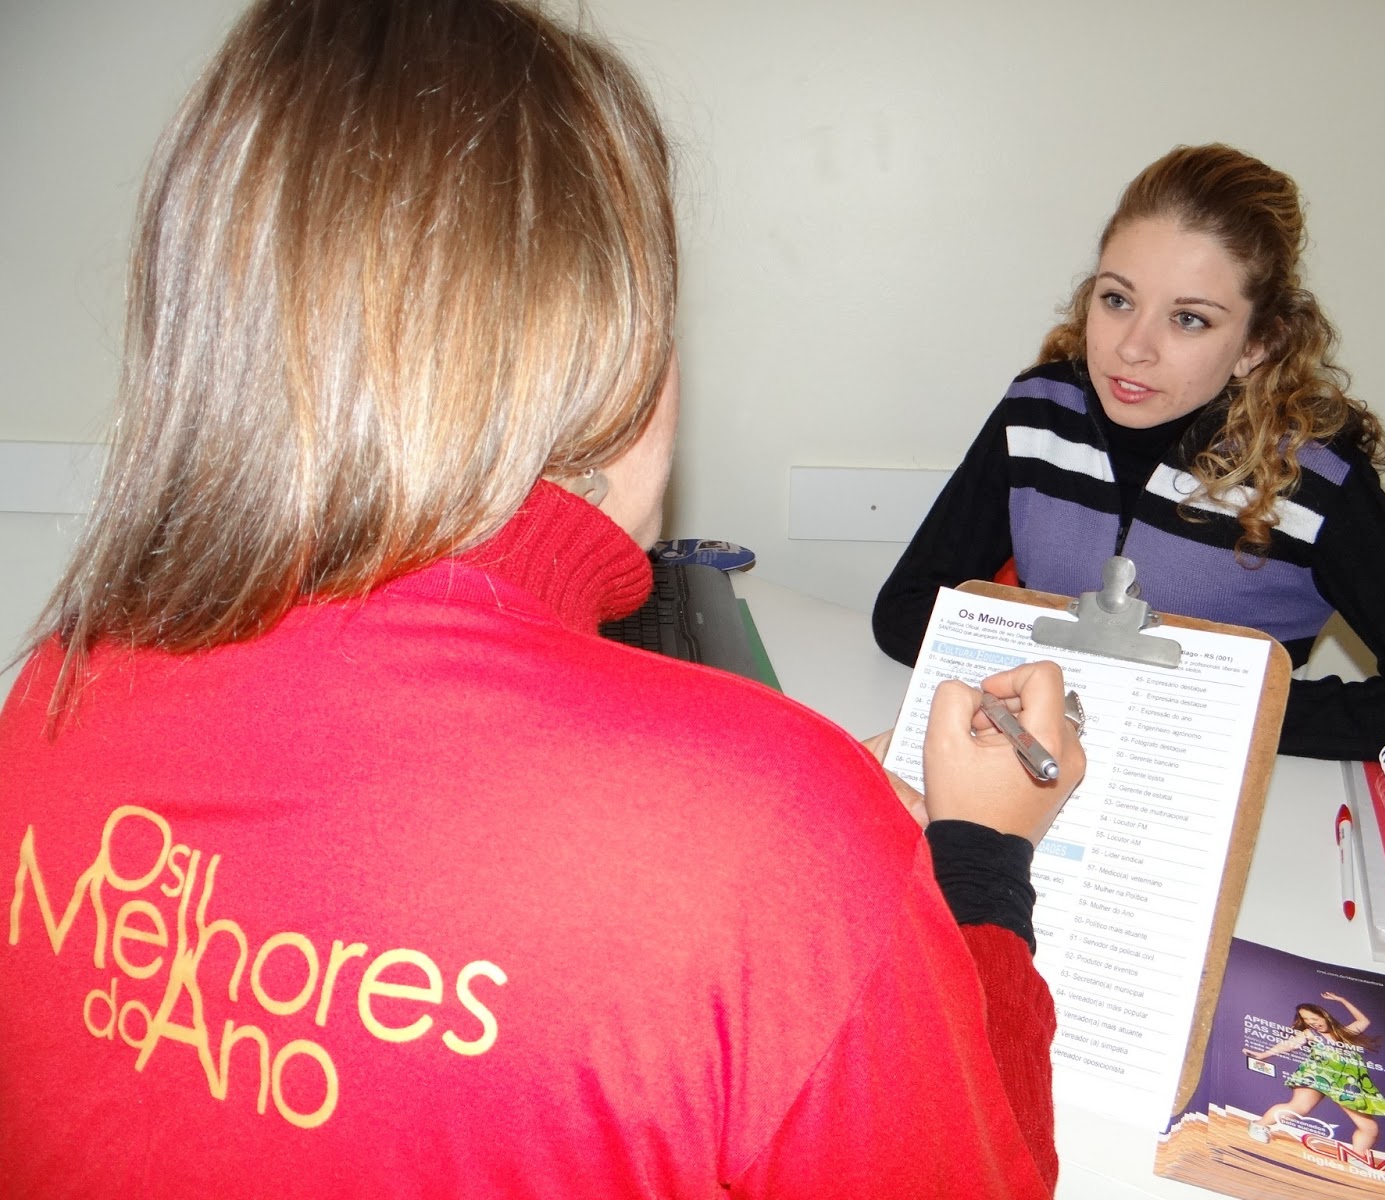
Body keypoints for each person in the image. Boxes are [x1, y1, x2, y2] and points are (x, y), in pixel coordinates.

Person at [0, 2, 1085, 1195]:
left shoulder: (56, 694)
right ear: (613, 353)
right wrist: (978, 859)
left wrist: (820, 858)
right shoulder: (769, 838)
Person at [871, 144, 1385, 761]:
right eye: (1117, 299)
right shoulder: (1040, 413)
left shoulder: (1309, 478)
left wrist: (1198, 705)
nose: (1132, 347)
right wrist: (1054, 681)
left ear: (1257, 343)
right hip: (1039, 763)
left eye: (1189, 319)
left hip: (1209, 794)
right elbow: (906, 611)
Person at [1243, 992, 1385, 1154]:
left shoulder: (1345, 1033)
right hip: (1317, 1075)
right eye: (1306, 1020)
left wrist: (1342, 1000)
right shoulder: (1310, 1034)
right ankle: (1259, 1125)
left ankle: (1359, 1157)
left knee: (1369, 1127)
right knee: (1298, 1108)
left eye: (1314, 1018)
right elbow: (1289, 1044)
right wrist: (1264, 1054)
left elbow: (1364, 1021)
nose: (1311, 1023)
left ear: (1324, 1016)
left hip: (1345, 1083)